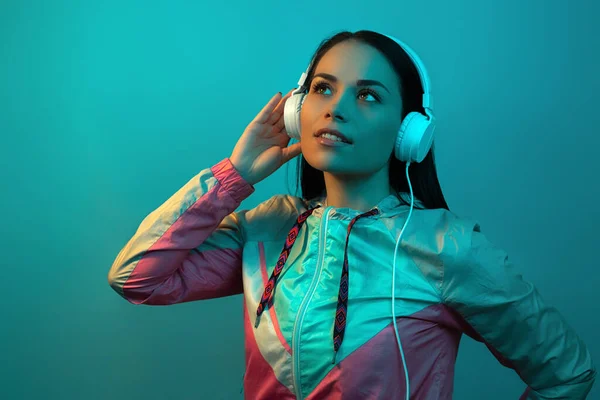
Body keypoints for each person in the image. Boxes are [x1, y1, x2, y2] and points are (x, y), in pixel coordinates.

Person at [107, 30, 596, 399]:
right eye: (322, 88)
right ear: (299, 107)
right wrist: (234, 174)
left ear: (410, 131)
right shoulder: (265, 228)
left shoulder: (447, 248)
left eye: (367, 95)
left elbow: (567, 373)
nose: (335, 109)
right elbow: (137, 278)